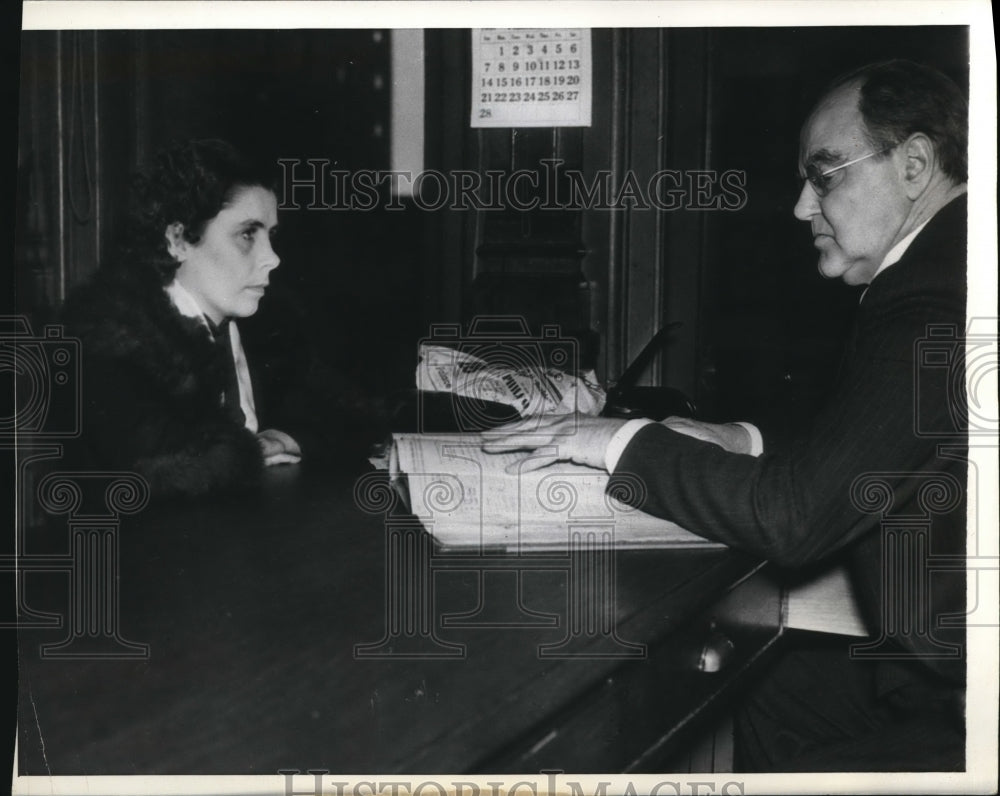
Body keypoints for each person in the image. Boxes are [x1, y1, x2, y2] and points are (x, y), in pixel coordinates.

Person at [483, 59, 968, 771]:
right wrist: (741, 439)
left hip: (967, 698)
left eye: (825, 175)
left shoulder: (930, 300)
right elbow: (878, 439)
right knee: (778, 683)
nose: (803, 207)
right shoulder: (949, 263)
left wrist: (618, 441)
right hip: (940, 666)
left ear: (916, 163)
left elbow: (796, 518)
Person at [62, 139, 381, 499]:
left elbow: (354, 411)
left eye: (271, 236)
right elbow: (154, 472)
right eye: (248, 234)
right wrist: (244, 455)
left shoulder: (267, 326)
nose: (272, 258)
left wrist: (285, 439)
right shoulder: (111, 346)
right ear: (178, 240)